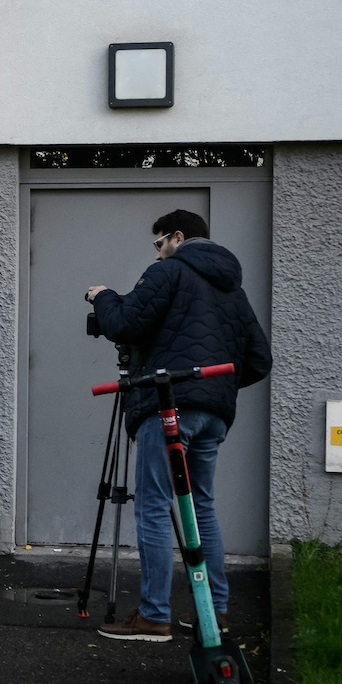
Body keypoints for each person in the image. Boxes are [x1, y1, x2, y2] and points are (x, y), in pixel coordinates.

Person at [85, 209, 270, 642]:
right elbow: (260, 360)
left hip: (167, 408)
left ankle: (153, 616)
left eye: (158, 243)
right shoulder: (233, 290)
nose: (157, 252)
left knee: (153, 505)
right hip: (213, 414)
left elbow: (124, 323)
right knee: (201, 506)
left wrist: (103, 295)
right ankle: (216, 613)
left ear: (178, 237)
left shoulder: (168, 274)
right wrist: (213, 389)